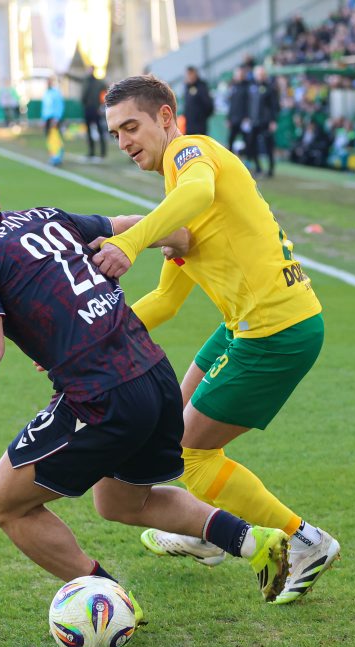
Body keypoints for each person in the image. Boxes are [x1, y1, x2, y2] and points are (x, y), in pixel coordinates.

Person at [0, 152, 291, 604]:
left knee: (2, 501)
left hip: (101, 394)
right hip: (157, 378)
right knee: (122, 502)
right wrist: (179, 237)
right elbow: (127, 224)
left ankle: (110, 603)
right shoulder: (43, 217)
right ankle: (255, 542)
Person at [94, 75, 340, 605]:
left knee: (190, 453)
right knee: (170, 428)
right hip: (241, 325)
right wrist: (90, 337)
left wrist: (130, 242)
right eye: (115, 133)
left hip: (276, 332)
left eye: (131, 126)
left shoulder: (190, 153)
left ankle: (306, 542)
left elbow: (200, 189)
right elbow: (165, 301)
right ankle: (202, 532)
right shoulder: (176, 198)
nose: (124, 142)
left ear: (165, 116)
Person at [248, 65, 279, 177]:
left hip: (265, 121)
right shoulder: (252, 87)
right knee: (251, 144)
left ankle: (270, 170)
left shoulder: (270, 87)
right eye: (258, 74)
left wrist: (273, 121)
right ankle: (258, 167)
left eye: (261, 74)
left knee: (268, 145)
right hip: (254, 121)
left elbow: (274, 105)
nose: (260, 76)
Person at [81, 65, 107, 161]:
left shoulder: (99, 82)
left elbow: (106, 91)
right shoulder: (85, 81)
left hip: (95, 109)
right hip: (87, 108)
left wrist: (101, 106)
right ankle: (91, 152)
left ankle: (103, 153)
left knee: (100, 131)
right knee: (88, 131)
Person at [225, 66, 251, 158]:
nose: (238, 76)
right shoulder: (234, 87)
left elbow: (249, 104)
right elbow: (231, 105)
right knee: (230, 140)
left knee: (248, 141)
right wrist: (228, 119)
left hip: (244, 120)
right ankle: (229, 160)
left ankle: (248, 160)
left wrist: (247, 118)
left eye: (240, 74)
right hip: (234, 119)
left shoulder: (247, 87)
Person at [182, 66, 214, 137]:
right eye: (187, 74)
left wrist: (201, 117)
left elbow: (208, 105)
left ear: (195, 74)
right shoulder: (187, 87)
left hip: (199, 125)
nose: (189, 76)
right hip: (189, 125)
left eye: (190, 74)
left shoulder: (202, 86)